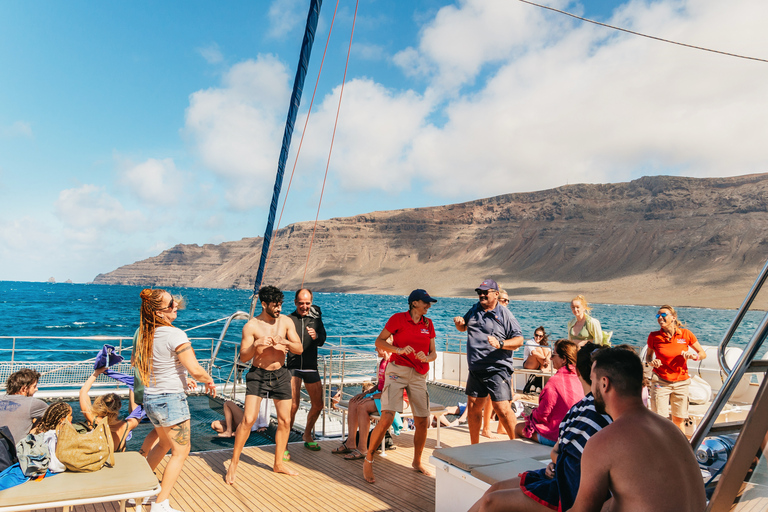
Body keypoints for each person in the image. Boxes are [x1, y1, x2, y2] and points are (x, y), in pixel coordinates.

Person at [469, 343, 611, 512]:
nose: (551, 359)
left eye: (554, 355)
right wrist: (558, 464)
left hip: (567, 490)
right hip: (559, 473)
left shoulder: (592, 410)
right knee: (494, 489)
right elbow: (559, 452)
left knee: (491, 501)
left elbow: (543, 416)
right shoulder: (583, 407)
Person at [569, 347, 706, 511]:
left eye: (592, 381)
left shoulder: (604, 442)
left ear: (604, 383)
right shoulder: (672, 429)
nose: (592, 389)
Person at [133, 289, 217, 512]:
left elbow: (155, 365)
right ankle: (161, 504)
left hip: (151, 398)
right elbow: (196, 369)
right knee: (181, 451)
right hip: (170, 400)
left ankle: (138, 492)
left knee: (164, 444)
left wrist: (183, 377)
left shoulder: (144, 334)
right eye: (171, 304)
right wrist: (208, 380)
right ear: (160, 312)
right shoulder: (175, 334)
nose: (175, 306)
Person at [226, 285, 303, 484]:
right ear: (264, 304)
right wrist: (256, 345)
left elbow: (299, 348)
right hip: (258, 375)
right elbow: (243, 356)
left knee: (285, 421)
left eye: (280, 305)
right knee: (249, 419)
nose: (279, 309)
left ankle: (278, 463)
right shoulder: (251, 326)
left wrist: (283, 342)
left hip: (281, 374)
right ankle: (234, 463)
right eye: (275, 306)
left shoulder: (285, 322)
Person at [362, 289, 438, 484]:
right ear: (414, 303)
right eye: (425, 302)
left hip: (419, 374)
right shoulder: (398, 319)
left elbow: (433, 353)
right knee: (387, 417)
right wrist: (398, 349)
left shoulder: (428, 324)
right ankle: (369, 458)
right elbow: (379, 341)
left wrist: (426, 357)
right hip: (397, 371)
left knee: (422, 420)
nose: (428, 306)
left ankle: (417, 461)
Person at [454, 279, 524, 444]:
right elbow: (464, 327)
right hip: (476, 368)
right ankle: (474, 447)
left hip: (497, 368)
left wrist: (500, 344)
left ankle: (518, 446)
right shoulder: (475, 309)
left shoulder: (505, 314)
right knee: (473, 407)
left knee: (502, 408)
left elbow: (519, 340)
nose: (482, 295)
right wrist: (459, 324)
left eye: (486, 292)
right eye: (480, 292)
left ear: (496, 294)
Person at [646, 304, 707, 433]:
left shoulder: (686, 334)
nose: (660, 318)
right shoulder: (654, 336)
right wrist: (653, 362)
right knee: (659, 419)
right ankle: (661, 448)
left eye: (663, 315)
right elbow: (648, 357)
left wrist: (693, 356)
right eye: (658, 315)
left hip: (681, 382)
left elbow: (702, 354)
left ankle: (681, 449)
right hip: (661, 381)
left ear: (673, 318)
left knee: (678, 420)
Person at [516, 340, 584, 445]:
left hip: (559, 436)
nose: (551, 358)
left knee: (518, 428)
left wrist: (531, 414)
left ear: (564, 359)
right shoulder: (581, 378)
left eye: (553, 355)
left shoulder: (555, 381)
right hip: (578, 433)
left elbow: (542, 414)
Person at [333, 344, 391, 460]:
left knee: (362, 406)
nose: (375, 350)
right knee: (353, 402)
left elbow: (394, 388)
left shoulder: (394, 363)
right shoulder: (382, 363)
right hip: (382, 394)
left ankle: (363, 448)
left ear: (384, 348)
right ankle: (351, 442)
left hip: (392, 397)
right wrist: (365, 394)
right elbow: (380, 385)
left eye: (377, 347)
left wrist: (373, 397)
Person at [287, 288, 327, 451]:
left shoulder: (316, 320)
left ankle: (307, 434)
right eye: (301, 303)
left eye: (307, 303)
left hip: (310, 366)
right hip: (292, 367)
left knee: (318, 405)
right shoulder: (288, 320)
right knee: (293, 405)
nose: (304, 306)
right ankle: (284, 443)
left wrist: (316, 336)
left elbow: (323, 339)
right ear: (295, 302)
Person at [0, 369, 48, 444]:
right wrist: (34, 429)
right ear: (24, 389)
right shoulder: (33, 403)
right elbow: (57, 414)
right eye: (34, 386)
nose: (36, 389)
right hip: (16, 452)